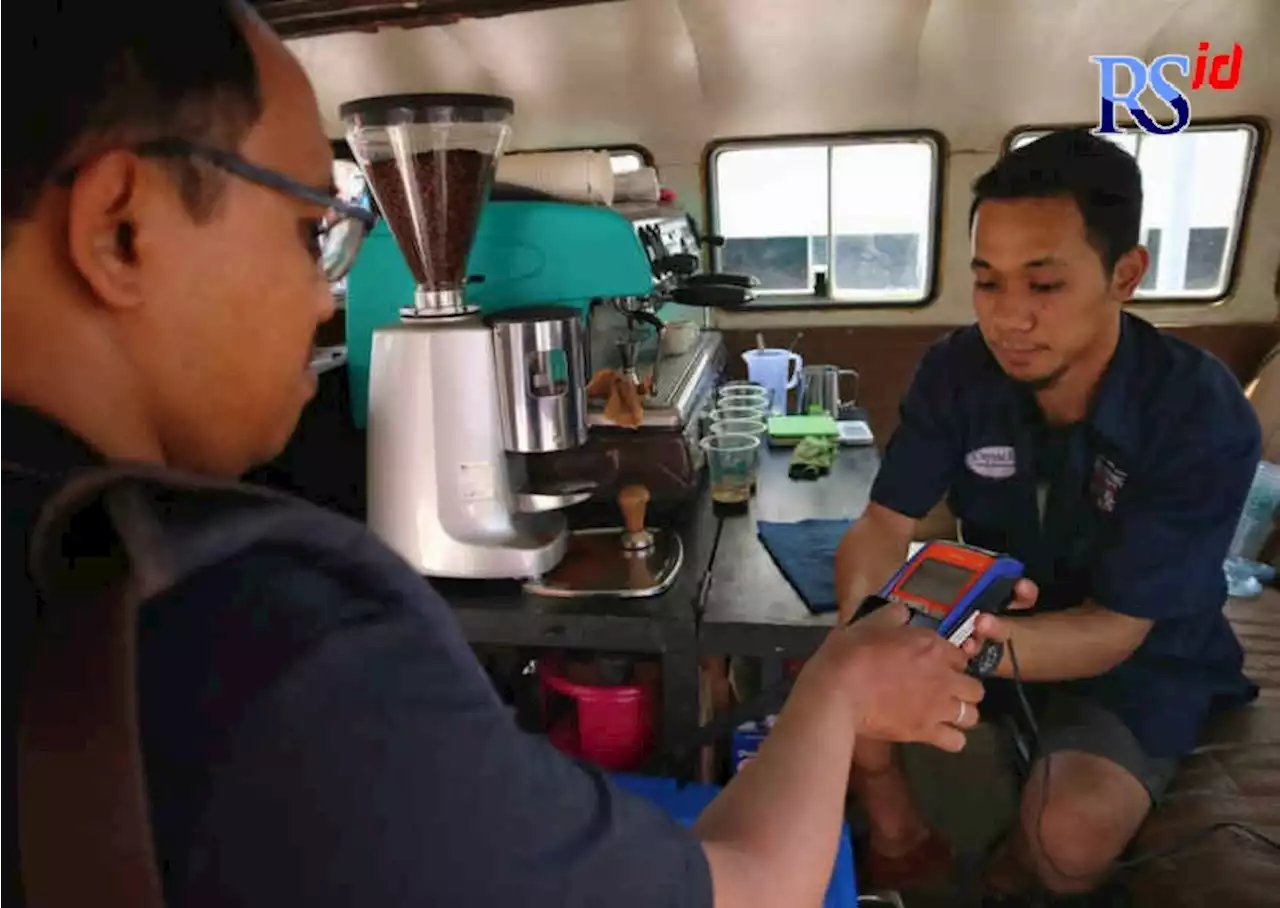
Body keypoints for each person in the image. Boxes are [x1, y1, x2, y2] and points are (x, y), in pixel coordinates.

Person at [0, 4, 988, 906]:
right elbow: (747, 886)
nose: (326, 298)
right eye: (316, 233)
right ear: (120, 228)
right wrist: (836, 687)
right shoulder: (261, 633)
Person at [835, 128, 1262, 900]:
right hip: (990, 619)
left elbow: (1113, 631)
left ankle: (1001, 879)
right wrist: (859, 641)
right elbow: (881, 527)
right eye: (988, 282)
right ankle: (901, 848)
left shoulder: (1198, 413)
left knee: (1065, 840)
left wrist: (953, 653)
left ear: (1125, 275)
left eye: (1045, 285)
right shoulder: (957, 370)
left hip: (1140, 662)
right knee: (842, 704)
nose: (1009, 318)